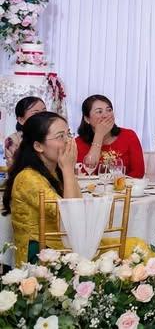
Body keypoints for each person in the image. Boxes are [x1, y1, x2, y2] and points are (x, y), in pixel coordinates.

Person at [1, 112, 147, 264]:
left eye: (68, 134)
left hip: (67, 243)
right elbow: (72, 216)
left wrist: (67, 170)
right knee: (135, 250)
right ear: (38, 146)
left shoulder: (54, 170)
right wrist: (68, 170)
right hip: (42, 253)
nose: (69, 141)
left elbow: (79, 209)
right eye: (60, 136)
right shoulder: (28, 178)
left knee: (137, 246)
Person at [75, 95, 145, 178]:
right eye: (99, 112)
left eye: (109, 110)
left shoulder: (129, 135)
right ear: (87, 119)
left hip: (123, 186)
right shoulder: (77, 143)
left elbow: (138, 172)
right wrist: (99, 135)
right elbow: (85, 174)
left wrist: (115, 184)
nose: (106, 115)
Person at [3, 97, 46, 167]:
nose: (43, 116)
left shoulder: (53, 134)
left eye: (44, 111)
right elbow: (13, 167)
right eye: (35, 113)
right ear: (21, 120)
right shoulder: (13, 140)